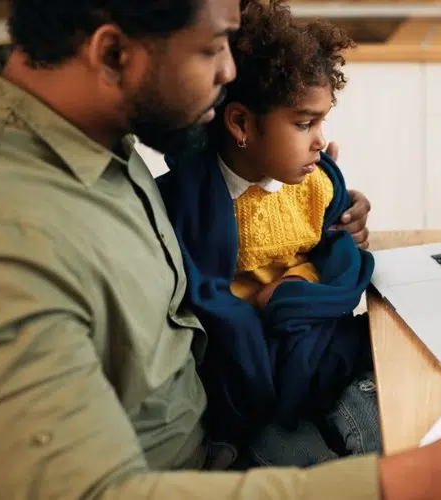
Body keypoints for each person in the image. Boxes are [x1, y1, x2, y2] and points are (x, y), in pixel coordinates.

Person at [0, 0, 441, 498]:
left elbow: (240, 146)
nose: (231, 69)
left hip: (222, 430)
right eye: (211, 48)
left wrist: (311, 169)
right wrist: (427, 480)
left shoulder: (82, 120)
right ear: (110, 52)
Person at [156, 0, 379, 467]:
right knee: (303, 464)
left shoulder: (314, 182)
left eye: (322, 121)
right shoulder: (192, 201)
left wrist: (304, 284)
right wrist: (258, 305)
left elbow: (337, 253)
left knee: (381, 429)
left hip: (316, 348)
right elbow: (202, 303)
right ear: (240, 124)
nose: (320, 139)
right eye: (304, 123)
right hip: (247, 373)